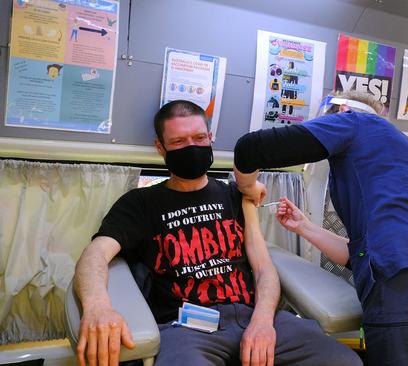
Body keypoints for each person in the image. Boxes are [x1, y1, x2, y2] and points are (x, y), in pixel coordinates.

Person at [73, 100, 362, 366]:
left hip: (254, 316)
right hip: (187, 328)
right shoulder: (140, 204)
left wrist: (262, 321)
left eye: (199, 138)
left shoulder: (236, 195)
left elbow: (263, 269)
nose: (192, 147)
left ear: (211, 138)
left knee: (345, 362)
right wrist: (98, 306)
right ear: (160, 148)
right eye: (178, 141)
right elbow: (95, 254)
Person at [234, 91, 408, 366]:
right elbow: (362, 254)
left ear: (343, 109)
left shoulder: (354, 121)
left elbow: (250, 149)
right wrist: (305, 227)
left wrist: (248, 187)